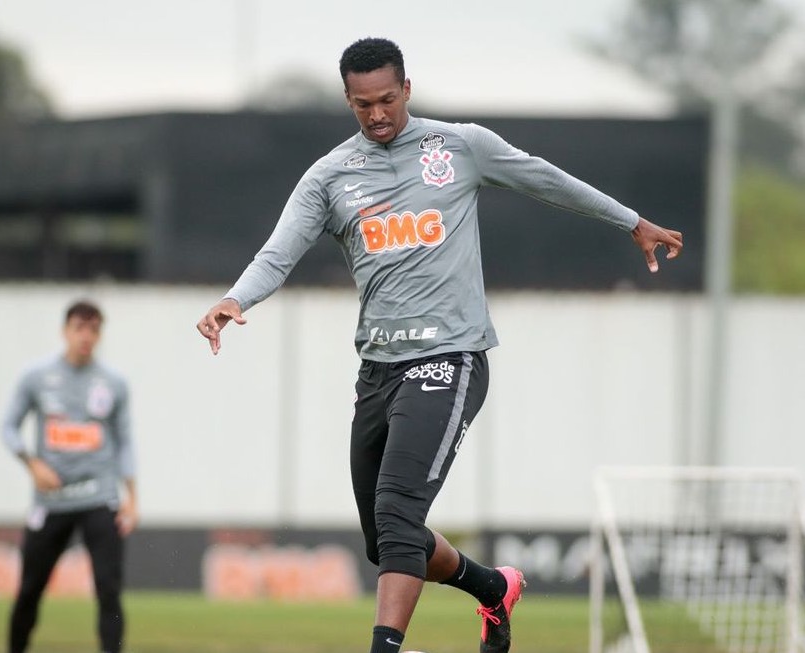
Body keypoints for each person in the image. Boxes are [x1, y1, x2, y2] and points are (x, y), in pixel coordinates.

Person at [196, 37, 683, 653]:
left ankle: (387, 647)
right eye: (362, 104)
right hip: (378, 369)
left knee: (399, 516)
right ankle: (491, 589)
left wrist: (632, 222)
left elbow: (546, 180)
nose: (377, 115)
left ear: (407, 89)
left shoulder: (459, 147)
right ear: (348, 100)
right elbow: (279, 251)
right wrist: (235, 299)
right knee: (385, 540)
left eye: (387, 100)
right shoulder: (329, 176)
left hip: (449, 358)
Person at [1, 299, 137, 653]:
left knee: (109, 588)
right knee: (30, 587)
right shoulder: (37, 377)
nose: (86, 336)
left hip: (99, 497)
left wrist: (132, 499)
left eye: (94, 329)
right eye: (80, 328)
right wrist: (31, 464)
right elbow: (8, 427)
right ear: (65, 331)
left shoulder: (113, 383)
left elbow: (125, 443)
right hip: (52, 500)